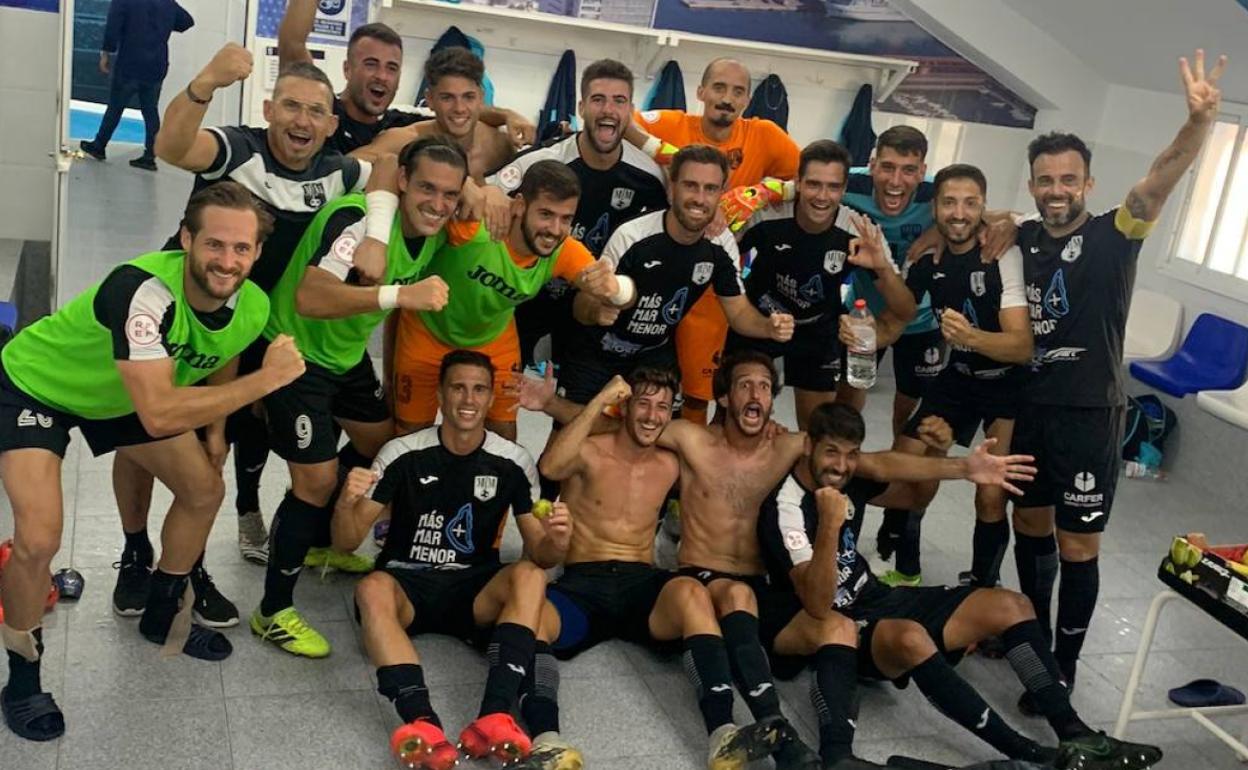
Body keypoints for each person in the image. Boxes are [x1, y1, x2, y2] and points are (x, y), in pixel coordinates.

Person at [0, 183, 305, 741]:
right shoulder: (140, 289)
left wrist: (215, 431)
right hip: (38, 387)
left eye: (242, 249)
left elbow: (226, 348)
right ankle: (22, 672)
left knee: (203, 490)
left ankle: (162, 612)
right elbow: (161, 411)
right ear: (187, 238)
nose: (228, 261)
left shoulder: (253, 301)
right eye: (214, 244)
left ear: (257, 252)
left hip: (121, 397)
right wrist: (268, 380)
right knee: (39, 540)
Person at [103, 46, 371, 624]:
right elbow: (171, 147)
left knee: (213, 447)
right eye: (292, 107)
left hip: (254, 328)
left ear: (330, 123)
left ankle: (188, 562)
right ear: (270, 108)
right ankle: (133, 551)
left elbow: (398, 159)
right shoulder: (237, 149)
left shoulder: (340, 170)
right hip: (182, 315)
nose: (302, 121)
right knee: (139, 437)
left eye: (316, 112)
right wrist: (205, 82)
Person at [758, 402, 1163, 770]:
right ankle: (1028, 751)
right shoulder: (787, 506)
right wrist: (829, 523)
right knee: (913, 638)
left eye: (851, 456)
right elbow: (818, 602)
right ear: (808, 446)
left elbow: (911, 498)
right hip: (830, 620)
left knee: (1011, 605)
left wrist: (945, 457)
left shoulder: (847, 478)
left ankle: (1076, 734)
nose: (842, 466)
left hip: (874, 596)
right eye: (831, 452)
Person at [1010, 49, 1227, 710]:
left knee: (1078, 545)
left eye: (1068, 179)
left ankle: (1066, 666)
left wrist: (1199, 125)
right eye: (1045, 179)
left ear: (1087, 184)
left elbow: (1159, 180)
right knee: (1030, 528)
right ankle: (1037, 641)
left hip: (1087, 417)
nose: (1056, 189)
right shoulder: (1017, 237)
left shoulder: (1116, 233)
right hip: (1030, 411)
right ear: (1033, 185)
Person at [533, 369, 814, 770]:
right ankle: (546, 738)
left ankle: (722, 734)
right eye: (643, 404)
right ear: (624, 406)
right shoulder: (591, 449)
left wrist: (764, 437)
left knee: (690, 592)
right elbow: (551, 467)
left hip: (639, 584)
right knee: (533, 617)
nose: (652, 416)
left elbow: (725, 473)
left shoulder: (670, 464)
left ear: (671, 416)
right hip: (583, 583)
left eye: (662, 407)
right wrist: (600, 398)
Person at [249, 138, 465, 657]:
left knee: (378, 441)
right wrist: (398, 294)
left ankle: (322, 539)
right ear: (404, 184)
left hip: (346, 359)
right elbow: (310, 295)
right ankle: (272, 609)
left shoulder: (429, 232)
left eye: (450, 194)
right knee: (317, 481)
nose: (438, 202)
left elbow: (397, 165)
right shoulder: (359, 221)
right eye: (428, 188)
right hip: (295, 354)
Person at [334, 349, 580, 770]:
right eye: (459, 388)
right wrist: (345, 502)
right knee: (370, 587)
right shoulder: (401, 453)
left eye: (479, 389)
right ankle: (422, 723)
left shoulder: (513, 461)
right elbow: (345, 542)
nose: (468, 399)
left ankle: (494, 716)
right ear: (442, 395)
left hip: (472, 588)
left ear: (489, 399)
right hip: (406, 584)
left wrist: (559, 541)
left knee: (530, 577)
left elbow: (540, 554)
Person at [390, 160, 623, 440]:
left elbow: (608, 290)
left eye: (566, 219)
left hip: (493, 339)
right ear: (520, 205)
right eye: (546, 214)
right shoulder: (477, 226)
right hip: (427, 330)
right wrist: (470, 186)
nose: (554, 229)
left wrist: (611, 295)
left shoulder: (565, 250)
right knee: (410, 434)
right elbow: (418, 173)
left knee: (503, 434)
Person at [625, 57, 801, 425]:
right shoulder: (675, 123)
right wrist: (675, 158)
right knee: (635, 385)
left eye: (738, 91)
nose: (727, 98)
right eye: (719, 88)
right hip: (656, 266)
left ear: (747, 100)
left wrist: (762, 191)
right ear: (701, 92)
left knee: (695, 394)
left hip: (713, 280)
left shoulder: (764, 134)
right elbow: (621, 120)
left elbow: (816, 180)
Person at [561, 144, 794, 407]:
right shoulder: (632, 235)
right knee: (571, 436)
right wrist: (595, 311)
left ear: (720, 195)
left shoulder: (720, 243)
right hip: (597, 351)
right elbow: (581, 304)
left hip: (653, 354)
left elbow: (738, 313)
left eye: (710, 189)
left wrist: (768, 327)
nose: (700, 198)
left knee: (658, 438)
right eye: (691, 186)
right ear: (672, 189)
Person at [895, 164, 1031, 589]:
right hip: (958, 376)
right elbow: (894, 316)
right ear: (934, 207)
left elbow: (1023, 347)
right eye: (950, 202)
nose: (959, 213)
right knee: (910, 463)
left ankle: (981, 588)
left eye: (971, 203)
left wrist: (971, 337)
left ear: (984, 208)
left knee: (991, 492)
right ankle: (906, 568)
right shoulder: (925, 256)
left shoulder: (1002, 252)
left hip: (1008, 382)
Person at [488, 58, 668, 370]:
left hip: (595, 307)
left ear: (630, 111)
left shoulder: (651, 177)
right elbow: (484, 194)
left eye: (619, 101)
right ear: (582, 108)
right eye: (598, 100)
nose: (608, 110)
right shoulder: (543, 161)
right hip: (529, 298)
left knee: (575, 408)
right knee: (504, 397)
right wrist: (486, 192)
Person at [727, 139, 916, 430]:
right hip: (760, 322)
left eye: (833, 187)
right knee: (733, 417)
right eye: (814, 184)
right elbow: (720, 251)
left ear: (843, 190)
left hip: (817, 331)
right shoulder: (766, 215)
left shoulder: (860, 230)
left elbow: (905, 309)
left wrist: (881, 267)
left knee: (817, 429)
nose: (822, 196)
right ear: (798, 183)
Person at [276, 2, 535, 155]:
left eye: (391, 68)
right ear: (347, 69)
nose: (382, 76)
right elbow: (292, 42)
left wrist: (507, 115)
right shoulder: (320, 113)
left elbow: (457, 112)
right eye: (371, 64)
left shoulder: (402, 123)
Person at [363, 47, 522, 181]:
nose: (459, 108)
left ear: (481, 97)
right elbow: (344, 168)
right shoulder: (405, 140)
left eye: (468, 97)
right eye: (447, 98)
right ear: (430, 99)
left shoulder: (500, 145)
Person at [79, 0, 194, 170]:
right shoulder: (167, 3)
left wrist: (106, 53)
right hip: (156, 64)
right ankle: (150, 156)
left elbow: (113, 26)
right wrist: (163, 25)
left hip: (129, 63)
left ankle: (99, 145)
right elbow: (186, 22)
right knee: (150, 110)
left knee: (116, 107)